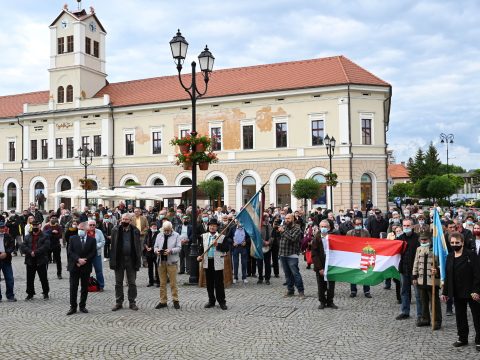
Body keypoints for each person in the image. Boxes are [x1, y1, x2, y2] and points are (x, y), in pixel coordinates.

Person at [441, 232, 480, 351]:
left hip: (472, 292)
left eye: (456, 243)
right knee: (460, 316)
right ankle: (462, 338)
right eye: (452, 243)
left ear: (462, 242)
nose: (454, 244)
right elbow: (448, 275)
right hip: (457, 292)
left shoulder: (471, 255)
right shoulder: (450, 256)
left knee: (477, 317)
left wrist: (476, 290)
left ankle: (479, 341)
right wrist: (445, 292)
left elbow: (478, 274)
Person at [110, 214, 143, 311]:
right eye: (123, 219)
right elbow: (112, 246)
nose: (124, 221)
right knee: (118, 282)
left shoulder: (135, 231)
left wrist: (138, 259)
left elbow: (138, 246)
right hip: (119, 259)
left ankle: (132, 302)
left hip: (131, 259)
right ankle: (118, 302)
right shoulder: (115, 230)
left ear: (130, 220)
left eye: (126, 219)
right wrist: (112, 261)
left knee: (132, 282)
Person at [412, 232, 442, 329]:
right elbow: (416, 263)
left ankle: (436, 320)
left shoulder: (435, 249)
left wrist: (437, 269)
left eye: (425, 239)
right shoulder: (418, 249)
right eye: (422, 239)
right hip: (421, 280)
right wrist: (414, 276)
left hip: (432, 281)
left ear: (429, 240)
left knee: (434, 302)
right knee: (423, 301)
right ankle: (425, 319)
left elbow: (441, 264)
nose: (423, 241)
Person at [197, 218, 229, 310]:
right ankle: (211, 300)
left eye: (214, 226)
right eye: (211, 226)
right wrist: (199, 256)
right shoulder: (203, 236)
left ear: (217, 227)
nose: (212, 227)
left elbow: (226, 248)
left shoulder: (222, 237)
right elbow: (201, 248)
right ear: (208, 226)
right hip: (208, 262)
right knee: (209, 283)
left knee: (219, 283)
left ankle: (222, 302)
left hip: (217, 262)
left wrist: (217, 245)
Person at [66, 222, 97, 315]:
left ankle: (82, 306)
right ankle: (73, 307)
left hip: (86, 266)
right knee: (73, 287)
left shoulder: (92, 240)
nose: (79, 231)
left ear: (86, 230)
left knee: (84, 287)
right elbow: (70, 251)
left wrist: (85, 260)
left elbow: (93, 252)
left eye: (81, 229)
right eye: (78, 229)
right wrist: (78, 260)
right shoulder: (72, 238)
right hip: (74, 266)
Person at [396, 219, 421, 321]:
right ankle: (405, 311)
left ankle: (420, 314)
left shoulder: (418, 238)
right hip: (403, 269)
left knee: (418, 294)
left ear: (412, 226)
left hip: (415, 270)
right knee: (404, 291)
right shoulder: (400, 238)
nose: (406, 227)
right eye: (404, 225)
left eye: (408, 225)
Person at [153, 221, 182, 309]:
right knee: (162, 283)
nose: (166, 232)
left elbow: (179, 248)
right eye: (165, 230)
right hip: (161, 261)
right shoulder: (159, 235)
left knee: (173, 283)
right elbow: (155, 247)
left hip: (172, 262)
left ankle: (175, 300)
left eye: (168, 230)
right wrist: (157, 250)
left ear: (171, 228)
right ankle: (163, 301)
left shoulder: (176, 235)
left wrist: (171, 250)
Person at [21, 221, 50, 300]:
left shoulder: (45, 236)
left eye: (36, 225)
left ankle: (45, 292)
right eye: (34, 225)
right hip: (30, 260)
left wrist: (36, 252)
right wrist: (30, 252)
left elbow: (46, 246)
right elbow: (23, 246)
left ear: (40, 226)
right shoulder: (27, 236)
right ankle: (30, 293)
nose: (35, 227)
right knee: (30, 278)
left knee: (43, 278)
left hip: (41, 259)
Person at [311, 220, 337, 309]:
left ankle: (330, 301)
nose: (323, 228)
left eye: (325, 227)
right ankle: (322, 301)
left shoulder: (333, 237)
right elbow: (314, 254)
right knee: (321, 284)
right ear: (319, 227)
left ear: (329, 228)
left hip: (331, 263)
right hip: (320, 263)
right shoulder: (316, 238)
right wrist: (320, 268)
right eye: (322, 227)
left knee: (331, 284)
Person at [278, 213, 305, 298]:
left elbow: (292, 239)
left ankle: (301, 291)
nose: (286, 220)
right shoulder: (284, 227)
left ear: (292, 219)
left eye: (288, 218)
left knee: (295, 273)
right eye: (285, 218)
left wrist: (283, 231)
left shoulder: (297, 229)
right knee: (287, 274)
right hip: (283, 254)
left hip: (292, 254)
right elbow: (281, 238)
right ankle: (290, 290)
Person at [346, 218, 372, 298]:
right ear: (353, 225)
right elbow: (346, 244)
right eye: (357, 224)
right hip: (353, 256)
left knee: (365, 273)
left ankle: (367, 291)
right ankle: (353, 290)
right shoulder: (349, 233)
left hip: (364, 255)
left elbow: (370, 243)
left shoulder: (366, 232)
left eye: (360, 224)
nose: (359, 225)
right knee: (353, 273)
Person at [0, 221, 17, 302]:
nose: (2, 229)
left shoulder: (8, 236)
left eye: (3, 227)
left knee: (10, 279)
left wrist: (6, 253)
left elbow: (12, 246)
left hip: (6, 259)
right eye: (0, 228)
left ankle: (10, 296)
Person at [87, 220, 106, 291]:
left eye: (93, 225)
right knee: (86, 271)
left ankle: (101, 286)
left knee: (99, 270)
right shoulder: (84, 231)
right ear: (88, 225)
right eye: (90, 225)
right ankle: (86, 286)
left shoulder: (99, 232)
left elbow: (103, 241)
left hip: (96, 254)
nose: (92, 226)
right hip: (87, 254)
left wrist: (94, 246)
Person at [230, 220, 249, 284]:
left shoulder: (246, 228)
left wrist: (246, 242)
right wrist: (233, 242)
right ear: (236, 222)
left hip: (243, 247)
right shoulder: (232, 228)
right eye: (239, 221)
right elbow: (228, 237)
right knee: (235, 263)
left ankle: (244, 277)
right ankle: (235, 277)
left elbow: (249, 237)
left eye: (241, 221)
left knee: (244, 263)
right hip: (235, 247)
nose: (240, 222)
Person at [257, 214, 273, 285]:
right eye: (266, 218)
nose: (267, 219)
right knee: (260, 264)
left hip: (268, 247)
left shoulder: (270, 226)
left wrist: (269, 242)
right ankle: (260, 278)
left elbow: (272, 236)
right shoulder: (259, 227)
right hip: (260, 247)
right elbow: (258, 236)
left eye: (268, 218)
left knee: (268, 264)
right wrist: (264, 242)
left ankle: (267, 278)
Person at [144, 222, 160, 287]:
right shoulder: (148, 233)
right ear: (150, 227)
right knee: (150, 268)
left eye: (155, 226)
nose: (155, 227)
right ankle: (151, 282)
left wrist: (152, 248)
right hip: (148, 253)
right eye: (153, 226)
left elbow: (159, 243)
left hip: (156, 253)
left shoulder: (159, 234)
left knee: (157, 268)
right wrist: (146, 247)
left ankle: (158, 282)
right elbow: (144, 241)